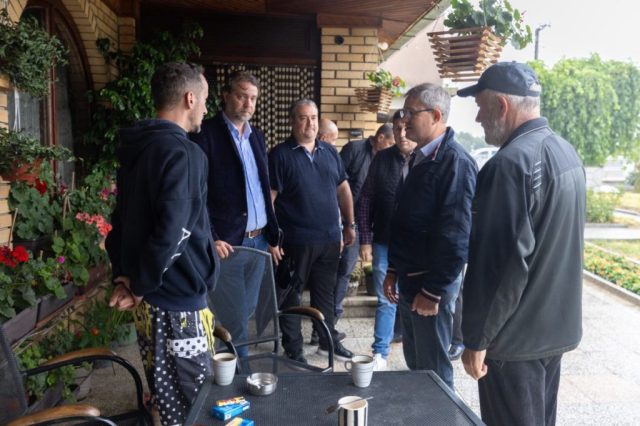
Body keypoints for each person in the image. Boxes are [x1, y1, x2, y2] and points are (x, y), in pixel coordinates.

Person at [457, 62, 586, 426]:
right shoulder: (566, 152)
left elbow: (500, 267)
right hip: (553, 332)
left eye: (480, 107)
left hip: (514, 342)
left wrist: (477, 339)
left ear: (501, 105)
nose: (478, 118)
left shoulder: (510, 165)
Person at [106, 62, 219, 426]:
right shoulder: (184, 153)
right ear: (189, 98)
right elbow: (174, 233)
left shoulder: (137, 148)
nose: (206, 108)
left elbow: (121, 222)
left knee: (166, 399)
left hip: (150, 304)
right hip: (177, 306)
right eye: (204, 99)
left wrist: (126, 278)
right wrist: (138, 284)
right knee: (196, 406)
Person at [383, 83, 477, 389]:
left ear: (436, 115)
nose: (404, 119)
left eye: (410, 112)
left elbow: (456, 236)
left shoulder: (455, 162)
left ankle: (440, 414)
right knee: (416, 365)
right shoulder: (421, 157)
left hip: (429, 288)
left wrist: (433, 291)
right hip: (410, 280)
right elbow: (406, 221)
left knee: (434, 373)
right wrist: (393, 269)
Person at [190, 71, 281, 357]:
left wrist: (272, 236)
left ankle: (223, 363)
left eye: (253, 98)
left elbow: (263, 187)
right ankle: (241, 375)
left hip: (259, 241)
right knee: (236, 318)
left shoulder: (257, 136)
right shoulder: (206, 134)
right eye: (242, 96)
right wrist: (211, 237)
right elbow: (197, 193)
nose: (248, 103)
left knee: (246, 310)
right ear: (226, 95)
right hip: (228, 243)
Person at [269, 99, 356, 362]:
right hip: (295, 241)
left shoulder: (329, 152)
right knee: (291, 296)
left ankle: (327, 342)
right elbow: (269, 199)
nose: (310, 123)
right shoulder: (279, 155)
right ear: (292, 121)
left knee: (325, 295)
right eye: (303, 118)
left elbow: (343, 189)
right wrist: (272, 239)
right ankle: (294, 348)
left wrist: (349, 224)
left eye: (314, 118)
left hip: (329, 239)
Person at [357, 110, 417, 370]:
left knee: (414, 297)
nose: (401, 134)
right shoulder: (382, 158)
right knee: (386, 298)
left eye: (406, 128)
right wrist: (365, 239)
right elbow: (366, 198)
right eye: (397, 128)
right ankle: (380, 352)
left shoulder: (426, 158)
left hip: (416, 245)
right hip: (384, 240)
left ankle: (417, 354)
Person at [333, 124, 394, 335]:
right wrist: (342, 222)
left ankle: (330, 321)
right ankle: (329, 322)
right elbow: (335, 183)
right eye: (391, 142)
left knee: (348, 270)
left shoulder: (387, 159)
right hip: (347, 222)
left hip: (370, 225)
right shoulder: (354, 149)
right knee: (343, 271)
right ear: (380, 137)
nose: (392, 147)